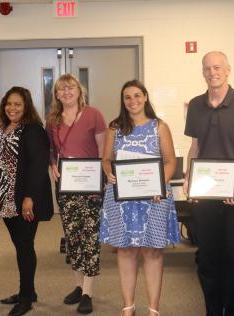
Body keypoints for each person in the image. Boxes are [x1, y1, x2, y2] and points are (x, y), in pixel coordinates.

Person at [183, 51, 234, 316]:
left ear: (228, 70)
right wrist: (188, 178)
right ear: (202, 72)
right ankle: (213, 310)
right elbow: (194, 147)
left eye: (217, 67)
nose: (212, 72)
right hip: (206, 195)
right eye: (207, 68)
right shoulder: (195, 105)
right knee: (207, 259)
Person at [99, 79, 181, 316]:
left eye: (137, 95)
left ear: (145, 97)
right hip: (122, 198)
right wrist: (109, 172)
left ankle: (153, 309)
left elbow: (170, 162)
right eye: (127, 97)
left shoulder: (159, 127)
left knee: (152, 252)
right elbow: (106, 159)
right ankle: (128, 307)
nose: (132, 101)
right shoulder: (114, 127)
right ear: (123, 101)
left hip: (154, 197)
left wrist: (159, 184)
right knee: (125, 250)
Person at [0, 86, 53, 316]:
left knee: (25, 246)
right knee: (20, 245)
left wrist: (29, 198)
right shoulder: (3, 128)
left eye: (17, 104)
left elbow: (37, 167)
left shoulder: (33, 129)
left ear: (26, 107)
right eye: (8, 103)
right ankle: (28, 291)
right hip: (4, 198)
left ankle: (26, 298)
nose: (12, 108)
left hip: (23, 199)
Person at [46, 74, 106, 314]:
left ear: (80, 91)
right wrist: (52, 165)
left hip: (90, 185)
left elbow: (103, 151)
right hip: (66, 186)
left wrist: (101, 183)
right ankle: (78, 287)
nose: (67, 92)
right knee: (73, 237)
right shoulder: (52, 120)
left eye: (71, 88)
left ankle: (89, 292)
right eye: (61, 89)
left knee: (89, 236)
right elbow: (51, 150)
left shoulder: (94, 115)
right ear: (57, 95)